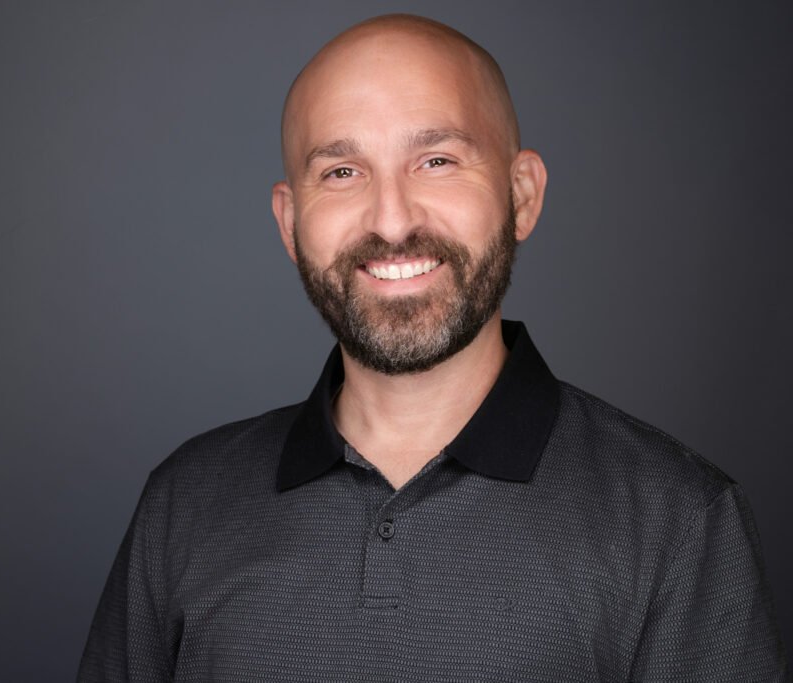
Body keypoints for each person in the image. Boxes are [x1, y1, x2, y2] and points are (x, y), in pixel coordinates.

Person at [78, 14, 787, 681]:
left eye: (437, 160)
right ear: (290, 224)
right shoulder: (187, 502)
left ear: (523, 196)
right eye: (342, 172)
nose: (391, 221)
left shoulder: (678, 519)